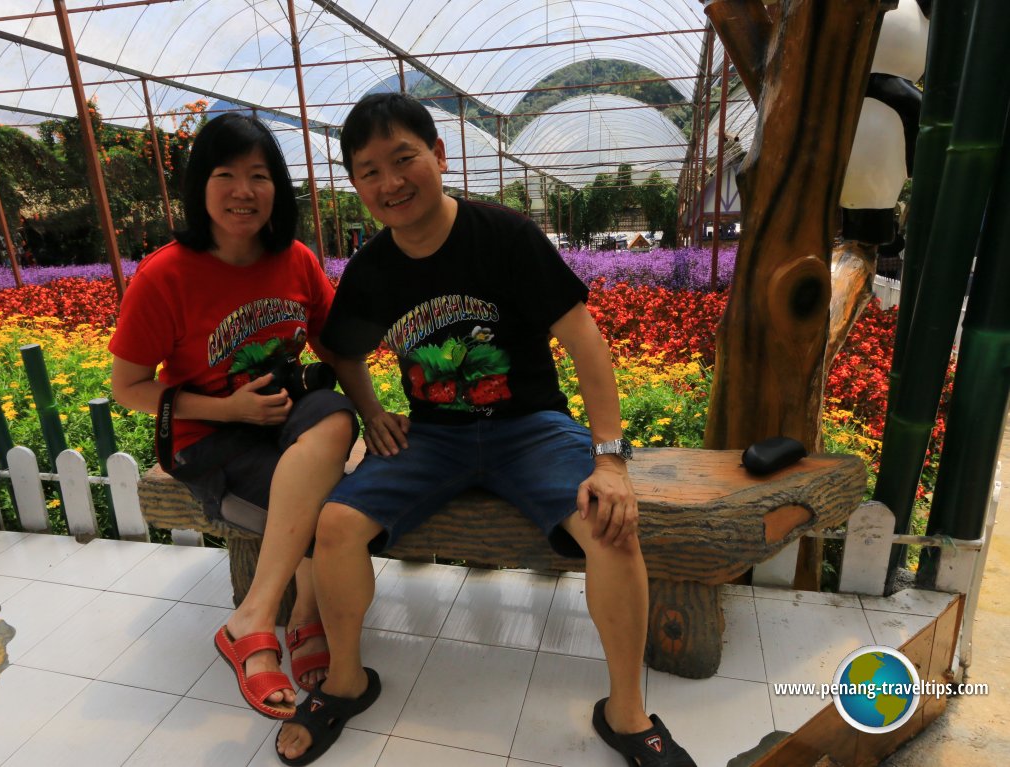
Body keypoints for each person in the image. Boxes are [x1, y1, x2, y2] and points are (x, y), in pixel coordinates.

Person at [275, 93, 697, 767]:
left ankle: (626, 710)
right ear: (355, 185)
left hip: (530, 428)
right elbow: (340, 348)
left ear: (439, 157)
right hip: (433, 436)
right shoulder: (374, 270)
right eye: (369, 171)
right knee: (335, 525)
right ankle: (348, 682)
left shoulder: (506, 236)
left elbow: (585, 342)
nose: (390, 182)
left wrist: (611, 459)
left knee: (610, 523)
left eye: (404, 158)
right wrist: (375, 410)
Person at [109, 113, 356, 721]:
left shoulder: (295, 259)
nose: (244, 191)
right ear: (201, 185)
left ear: (278, 188)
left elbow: (333, 344)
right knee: (331, 514)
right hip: (209, 439)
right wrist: (228, 407)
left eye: (259, 175)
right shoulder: (164, 276)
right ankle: (281, 617)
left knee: (335, 415)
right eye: (226, 175)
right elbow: (129, 387)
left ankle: (281, 616)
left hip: (287, 420)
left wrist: (373, 411)